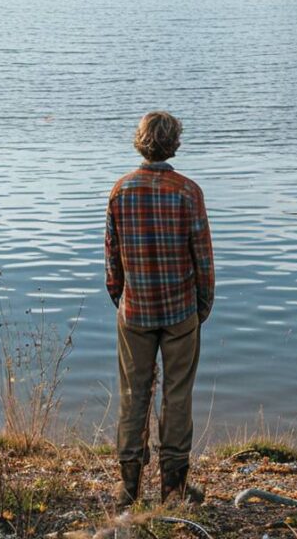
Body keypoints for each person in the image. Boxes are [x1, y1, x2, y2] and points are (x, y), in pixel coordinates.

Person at [105, 111, 215, 508]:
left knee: (134, 394)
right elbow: (202, 257)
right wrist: (202, 306)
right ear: (175, 144)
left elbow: (112, 258)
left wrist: (120, 296)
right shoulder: (188, 191)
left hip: (135, 310)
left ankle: (129, 487)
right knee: (177, 394)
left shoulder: (121, 190)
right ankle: (173, 488)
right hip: (179, 309)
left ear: (139, 141)